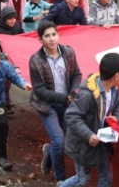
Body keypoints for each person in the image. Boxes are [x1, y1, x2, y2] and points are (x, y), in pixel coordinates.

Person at [59, 53, 119, 187]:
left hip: (101, 142)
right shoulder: (88, 94)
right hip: (83, 145)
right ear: (117, 76)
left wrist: (117, 117)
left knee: (106, 176)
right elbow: (71, 115)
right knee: (82, 180)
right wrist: (88, 135)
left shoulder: (114, 89)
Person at [29, 21, 82, 182]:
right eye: (47, 36)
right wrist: (64, 97)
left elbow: (77, 74)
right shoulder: (35, 60)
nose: (51, 39)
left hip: (66, 102)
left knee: (64, 142)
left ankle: (49, 152)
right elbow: (39, 90)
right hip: (46, 105)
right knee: (59, 141)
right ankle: (60, 179)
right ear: (40, 40)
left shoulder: (68, 52)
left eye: (54, 34)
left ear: (58, 35)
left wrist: (73, 91)